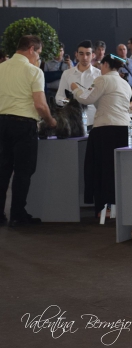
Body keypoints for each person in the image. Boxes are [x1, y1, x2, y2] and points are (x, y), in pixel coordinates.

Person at [0, 35, 57, 226]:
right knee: (23, 171)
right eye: (38, 53)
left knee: (3, 170)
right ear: (31, 49)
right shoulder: (34, 72)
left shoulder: (1, 68)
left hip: (2, 123)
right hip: (24, 125)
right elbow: (40, 105)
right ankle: (17, 214)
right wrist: (51, 121)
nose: (38, 58)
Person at [70, 54, 132, 216]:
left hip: (105, 130)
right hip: (124, 130)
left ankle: (104, 208)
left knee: (101, 170)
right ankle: (119, 206)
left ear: (105, 65)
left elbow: (85, 98)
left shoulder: (102, 80)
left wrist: (75, 88)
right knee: (118, 170)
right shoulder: (125, 84)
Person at [56, 40, 102, 128]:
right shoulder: (67, 74)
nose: (84, 57)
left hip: (95, 121)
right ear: (76, 55)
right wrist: (70, 102)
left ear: (93, 55)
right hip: (72, 122)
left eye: (88, 54)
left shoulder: (99, 74)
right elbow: (58, 98)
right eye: (81, 54)